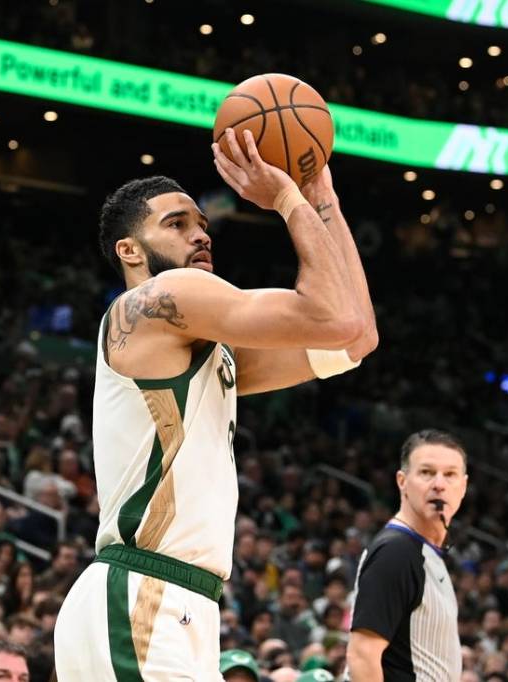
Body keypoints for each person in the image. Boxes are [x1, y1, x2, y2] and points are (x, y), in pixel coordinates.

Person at [55, 130, 377, 681]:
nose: (200, 235)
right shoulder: (158, 300)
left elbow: (356, 339)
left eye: (203, 224)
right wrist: (286, 200)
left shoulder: (209, 352)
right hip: (140, 592)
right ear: (128, 251)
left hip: (188, 602)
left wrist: (325, 200)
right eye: (177, 224)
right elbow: (334, 317)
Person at [346, 429, 469, 682]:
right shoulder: (396, 552)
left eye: (450, 475)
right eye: (426, 472)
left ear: (463, 486)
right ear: (402, 481)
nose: (439, 484)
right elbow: (362, 656)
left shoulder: (425, 553)